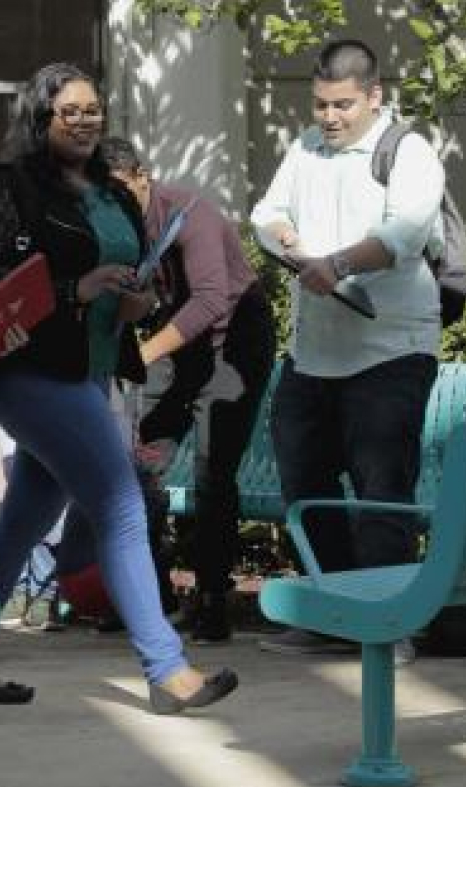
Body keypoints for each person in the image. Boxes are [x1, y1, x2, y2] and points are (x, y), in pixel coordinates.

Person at [0, 62, 238, 716]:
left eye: (92, 109)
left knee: (24, 521)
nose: (83, 121)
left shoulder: (113, 192)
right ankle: (167, 669)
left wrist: (137, 302)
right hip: (30, 373)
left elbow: (134, 276)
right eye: (68, 111)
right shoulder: (10, 188)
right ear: (40, 117)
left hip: (92, 367)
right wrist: (79, 289)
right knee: (122, 506)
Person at [248, 38, 444, 655]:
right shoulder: (305, 148)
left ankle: (388, 628)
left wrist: (333, 263)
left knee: (382, 490)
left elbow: (403, 236)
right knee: (306, 484)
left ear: (374, 96)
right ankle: (333, 615)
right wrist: (284, 235)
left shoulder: (408, 151)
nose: (329, 117)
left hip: (391, 350)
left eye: (343, 105)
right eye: (321, 104)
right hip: (314, 354)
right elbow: (265, 212)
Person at [102, 136, 276, 643]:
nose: (112, 204)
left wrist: (141, 355)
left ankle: (211, 601)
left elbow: (208, 302)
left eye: (120, 191)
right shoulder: (116, 224)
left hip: (233, 342)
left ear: (142, 177)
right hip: (180, 347)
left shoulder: (189, 215)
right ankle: (151, 597)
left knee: (211, 470)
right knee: (136, 464)